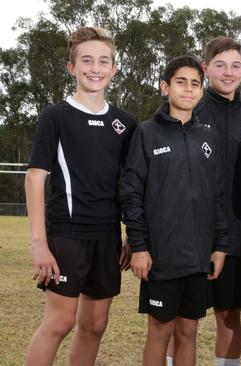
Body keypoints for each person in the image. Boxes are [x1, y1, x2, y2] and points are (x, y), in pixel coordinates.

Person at [24, 26, 136, 366]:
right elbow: (34, 179)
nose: (95, 68)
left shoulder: (124, 123)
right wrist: (39, 243)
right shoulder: (56, 117)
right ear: (71, 67)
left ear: (114, 69)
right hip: (67, 235)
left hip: (107, 237)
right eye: (86, 60)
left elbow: (130, 185)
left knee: (95, 324)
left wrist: (131, 233)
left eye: (104, 61)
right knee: (59, 322)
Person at [120, 55, 229, 366]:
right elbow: (131, 192)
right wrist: (139, 246)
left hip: (197, 255)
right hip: (161, 254)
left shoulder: (207, 136)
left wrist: (220, 245)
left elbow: (217, 194)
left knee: (189, 331)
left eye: (196, 83)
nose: (189, 89)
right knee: (160, 329)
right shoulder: (147, 133)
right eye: (181, 82)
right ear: (165, 87)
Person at [192, 36, 241, 366]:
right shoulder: (187, 110)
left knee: (229, 316)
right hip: (189, 233)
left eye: (236, 65)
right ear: (206, 69)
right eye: (220, 65)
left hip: (236, 235)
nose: (228, 72)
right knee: (184, 320)